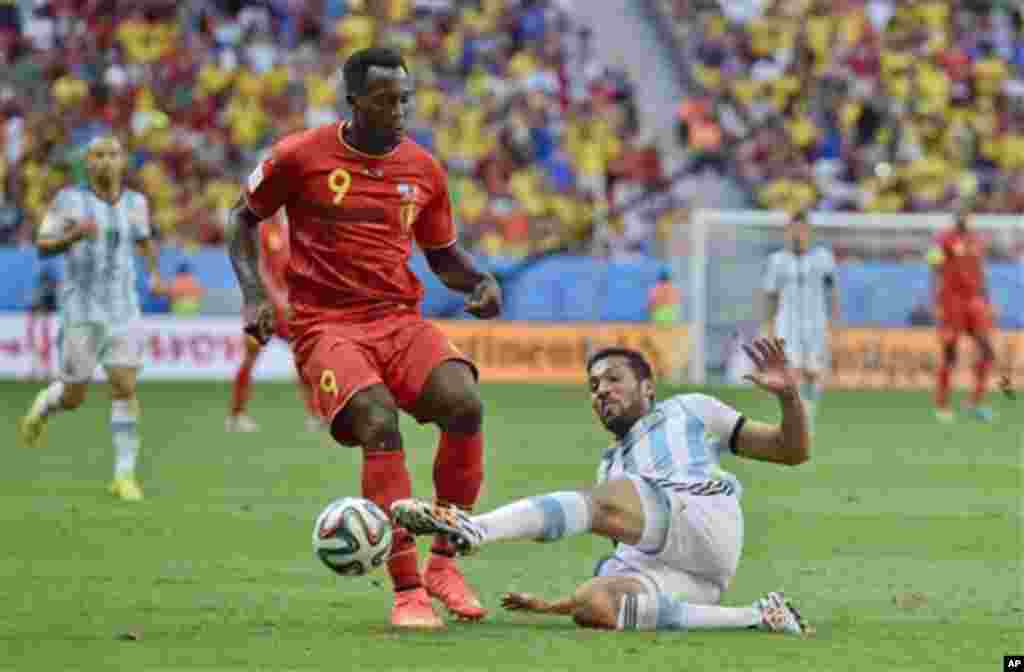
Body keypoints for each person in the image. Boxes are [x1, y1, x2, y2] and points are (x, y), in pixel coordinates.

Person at [227, 47, 502, 629]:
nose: (399, 108)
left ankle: (444, 564)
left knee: (466, 403)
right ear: (354, 101)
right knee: (379, 420)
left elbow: (443, 255)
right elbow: (242, 218)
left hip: (399, 319)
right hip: (327, 325)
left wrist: (478, 282)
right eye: (385, 99)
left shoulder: (423, 169)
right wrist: (254, 294)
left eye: (404, 97)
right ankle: (407, 591)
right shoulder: (298, 157)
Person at [392, 336, 811, 635]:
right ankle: (758, 616)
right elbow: (629, 557)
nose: (601, 391)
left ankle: (475, 528)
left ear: (647, 387)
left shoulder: (690, 409)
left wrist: (790, 398)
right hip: (694, 574)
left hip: (705, 513)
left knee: (603, 504)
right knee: (597, 606)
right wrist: (558, 605)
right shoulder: (610, 469)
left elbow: (790, 451)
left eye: (613, 380)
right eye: (594, 386)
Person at [19, 135, 164, 502]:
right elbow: (42, 245)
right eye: (98, 155)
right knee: (74, 395)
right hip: (80, 310)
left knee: (124, 385)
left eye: (112, 155)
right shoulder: (70, 201)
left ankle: (124, 475)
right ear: (87, 162)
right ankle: (45, 404)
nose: (105, 162)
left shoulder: (136, 203)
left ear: (122, 161)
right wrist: (73, 235)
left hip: (123, 308)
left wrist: (155, 274)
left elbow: (145, 240)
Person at [226, 208, 320, 433]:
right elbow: (260, 269)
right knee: (251, 357)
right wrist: (278, 299)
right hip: (262, 307)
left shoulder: (289, 230)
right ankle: (236, 416)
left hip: (285, 309)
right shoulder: (262, 229)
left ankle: (316, 415)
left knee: (303, 357)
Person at [761, 211, 839, 430]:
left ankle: (809, 420)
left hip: (816, 323)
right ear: (788, 232)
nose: (798, 234)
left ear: (808, 232)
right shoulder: (777, 261)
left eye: (802, 230)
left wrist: (834, 322)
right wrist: (768, 325)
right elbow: (770, 295)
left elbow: (832, 291)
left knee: (813, 373)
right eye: (794, 230)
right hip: (787, 323)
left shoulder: (823, 258)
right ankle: (797, 423)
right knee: (791, 374)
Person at [927, 209, 997, 422]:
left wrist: (987, 300)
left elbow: (980, 272)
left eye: (966, 214)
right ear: (955, 217)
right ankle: (942, 405)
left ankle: (975, 403)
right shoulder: (943, 240)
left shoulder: (976, 240)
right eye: (960, 214)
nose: (964, 218)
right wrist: (936, 302)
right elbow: (934, 268)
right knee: (950, 354)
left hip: (975, 302)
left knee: (987, 351)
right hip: (952, 302)